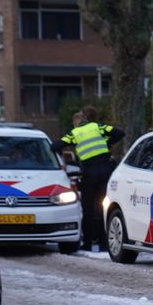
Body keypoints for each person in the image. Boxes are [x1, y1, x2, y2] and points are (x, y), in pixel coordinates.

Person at [60, 106, 125, 250]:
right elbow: (120, 133)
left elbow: (56, 145)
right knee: (103, 207)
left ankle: (88, 243)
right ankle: (103, 243)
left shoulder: (75, 133)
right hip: (106, 171)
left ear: (78, 121)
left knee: (88, 209)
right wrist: (107, 143)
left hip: (89, 174)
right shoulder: (98, 128)